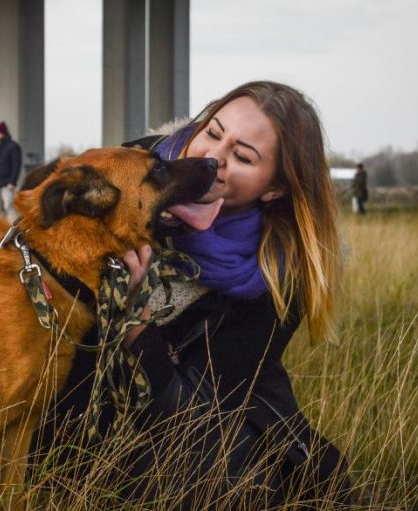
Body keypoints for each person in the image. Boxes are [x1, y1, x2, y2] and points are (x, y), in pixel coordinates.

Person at [34, 81, 352, 509]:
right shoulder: (127, 174)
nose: (211, 158)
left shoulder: (277, 277)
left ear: (274, 189)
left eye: (242, 157)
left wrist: (137, 322)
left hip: (193, 439)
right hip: (64, 426)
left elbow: (190, 420)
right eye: (213, 132)